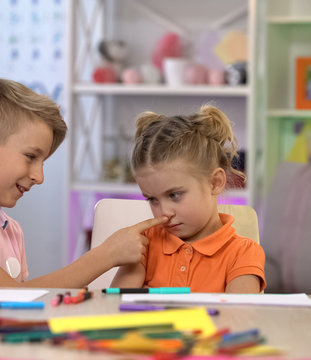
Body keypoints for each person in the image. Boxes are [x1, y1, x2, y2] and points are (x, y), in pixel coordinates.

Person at [0, 76, 166, 287]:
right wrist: (106, 255)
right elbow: (8, 297)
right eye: (31, 156)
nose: (39, 176)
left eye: (42, 162)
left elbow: (20, 308)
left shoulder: (11, 231)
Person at [111, 105, 266, 293]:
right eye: (152, 199)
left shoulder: (243, 253)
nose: (164, 213)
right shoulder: (143, 244)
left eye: (174, 195)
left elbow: (239, 319)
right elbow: (115, 309)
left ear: (215, 183)